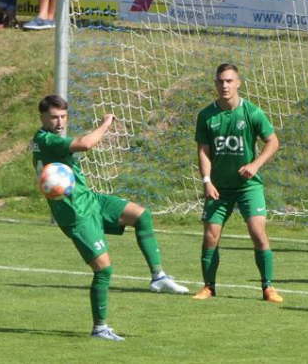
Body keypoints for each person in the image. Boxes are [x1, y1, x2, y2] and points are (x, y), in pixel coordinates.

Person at [32, 95, 188, 341]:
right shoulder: (46, 139)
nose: (60, 122)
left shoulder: (53, 139)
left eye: (63, 116)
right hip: (76, 215)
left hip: (91, 200)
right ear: (42, 118)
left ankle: (158, 276)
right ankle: (100, 328)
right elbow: (85, 144)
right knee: (104, 270)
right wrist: (106, 124)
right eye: (54, 117)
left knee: (141, 215)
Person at [193, 63, 283, 303]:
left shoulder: (252, 112)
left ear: (238, 83)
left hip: (248, 187)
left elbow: (273, 142)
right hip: (219, 188)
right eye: (221, 81)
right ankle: (208, 287)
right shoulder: (206, 115)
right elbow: (203, 150)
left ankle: (268, 287)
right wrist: (206, 181)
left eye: (229, 81)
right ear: (215, 83)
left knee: (257, 232)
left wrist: (255, 165)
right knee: (211, 235)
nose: (225, 85)